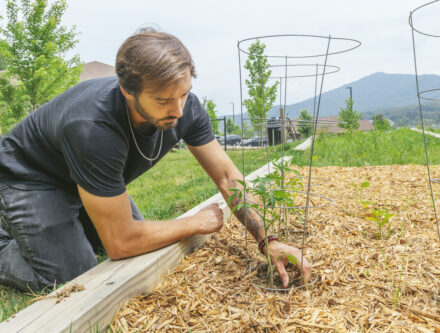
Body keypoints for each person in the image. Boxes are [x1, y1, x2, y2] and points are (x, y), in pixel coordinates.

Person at [0, 29, 311, 292]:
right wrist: (194, 223)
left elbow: (228, 177)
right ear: (127, 91)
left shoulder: (185, 106)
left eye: (184, 94)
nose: (177, 110)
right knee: (74, 278)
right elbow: (121, 241)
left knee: (135, 251)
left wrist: (266, 239)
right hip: (30, 178)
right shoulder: (93, 127)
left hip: (85, 179)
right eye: (163, 100)